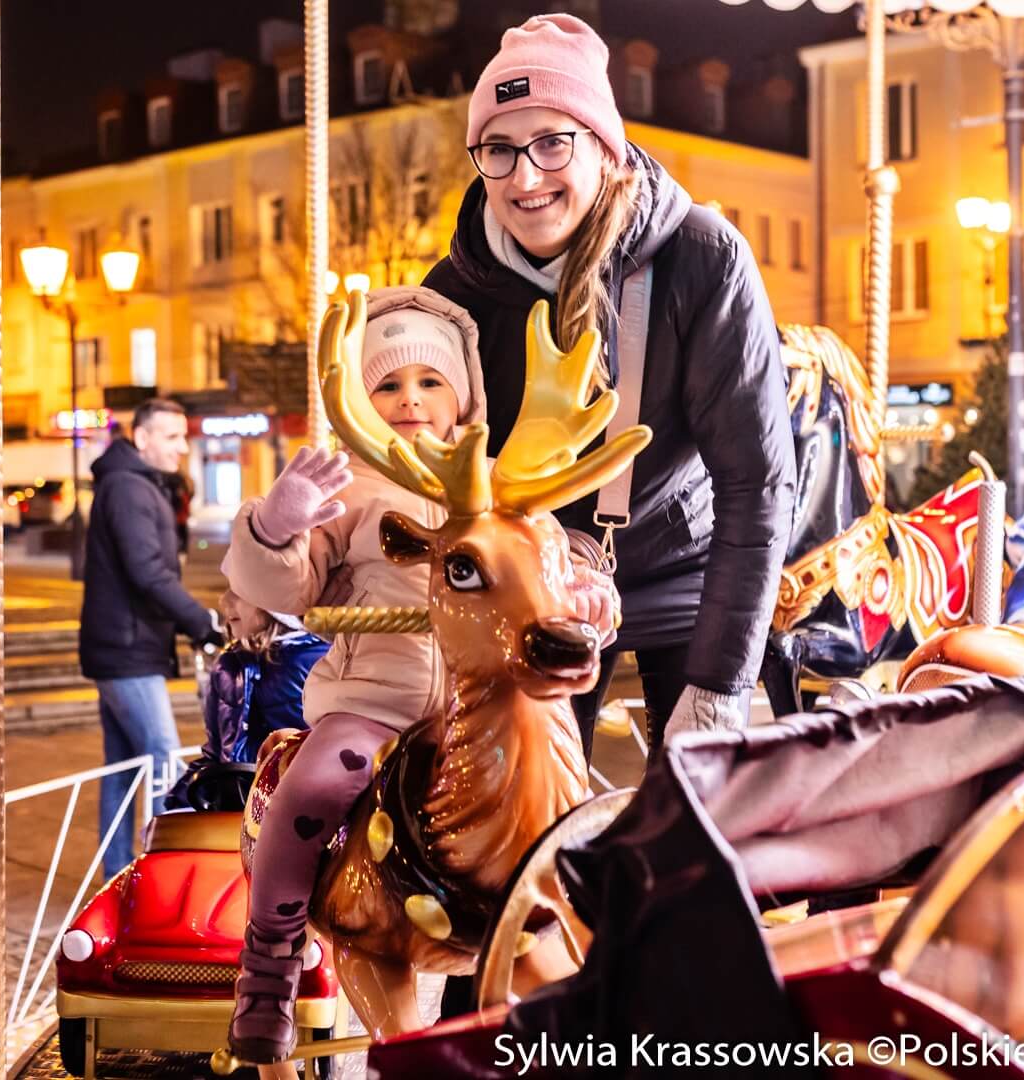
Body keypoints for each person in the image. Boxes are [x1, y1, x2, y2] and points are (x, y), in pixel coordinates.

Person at [219, 286, 620, 1064]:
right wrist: (275, 527)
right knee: (318, 781)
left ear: (463, 395)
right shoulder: (351, 494)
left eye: (430, 382)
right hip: (381, 703)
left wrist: (590, 594)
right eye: (389, 384)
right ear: (363, 402)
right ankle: (269, 958)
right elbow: (285, 590)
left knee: (573, 806)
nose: (411, 400)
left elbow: (554, 572)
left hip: (496, 707)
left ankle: (596, 940)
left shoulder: (512, 487)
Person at [423, 12, 796, 759]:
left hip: (691, 576)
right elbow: (436, 478)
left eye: (552, 142)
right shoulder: (453, 292)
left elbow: (758, 482)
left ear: (604, 145)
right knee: (519, 828)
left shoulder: (703, 257)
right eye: (498, 149)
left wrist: (721, 686)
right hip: (542, 587)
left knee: (695, 820)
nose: (525, 177)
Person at [81, 398, 225, 874]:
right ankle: (171, 880)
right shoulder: (128, 489)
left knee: (122, 771)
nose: (182, 447)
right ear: (142, 439)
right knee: (164, 761)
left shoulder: (136, 486)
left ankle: (119, 875)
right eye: (171, 437)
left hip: (126, 646)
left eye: (183, 437)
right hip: (127, 651)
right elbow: (146, 571)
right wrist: (200, 621)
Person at [164, 590, 328, 811]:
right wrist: (179, 802)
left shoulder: (317, 662)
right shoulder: (228, 665)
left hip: (295, 807)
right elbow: (216, 753)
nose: (225, 600)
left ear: (274, 604)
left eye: (240, 592)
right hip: (234, 803)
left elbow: (323, 755)